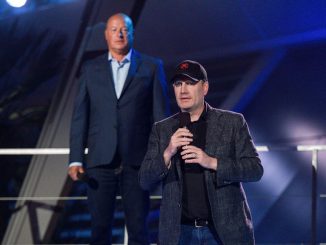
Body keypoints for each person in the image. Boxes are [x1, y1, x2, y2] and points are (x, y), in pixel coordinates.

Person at [68, 13, 170, 245]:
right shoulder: (90, 68)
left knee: (138, 229)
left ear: (133, 33)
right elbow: (80, 117)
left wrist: (161, 157)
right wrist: (75, 159)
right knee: (99, 229)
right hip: (99, 162)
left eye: (124, 29)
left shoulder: (152, 66)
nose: (119, 34)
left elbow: (160, 117)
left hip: (137, 163)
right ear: (106, 35)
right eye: (114, 30)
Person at [139, 60, 263, 245]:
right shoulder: (163, 130)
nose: (183, 90)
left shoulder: (232, 122)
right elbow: (144, 180)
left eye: (190, 83)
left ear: (204, 88)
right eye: (178, 84)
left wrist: (212, 162)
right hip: (180, 234)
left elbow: (255, 169)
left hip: (223, 232)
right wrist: (167, 152)